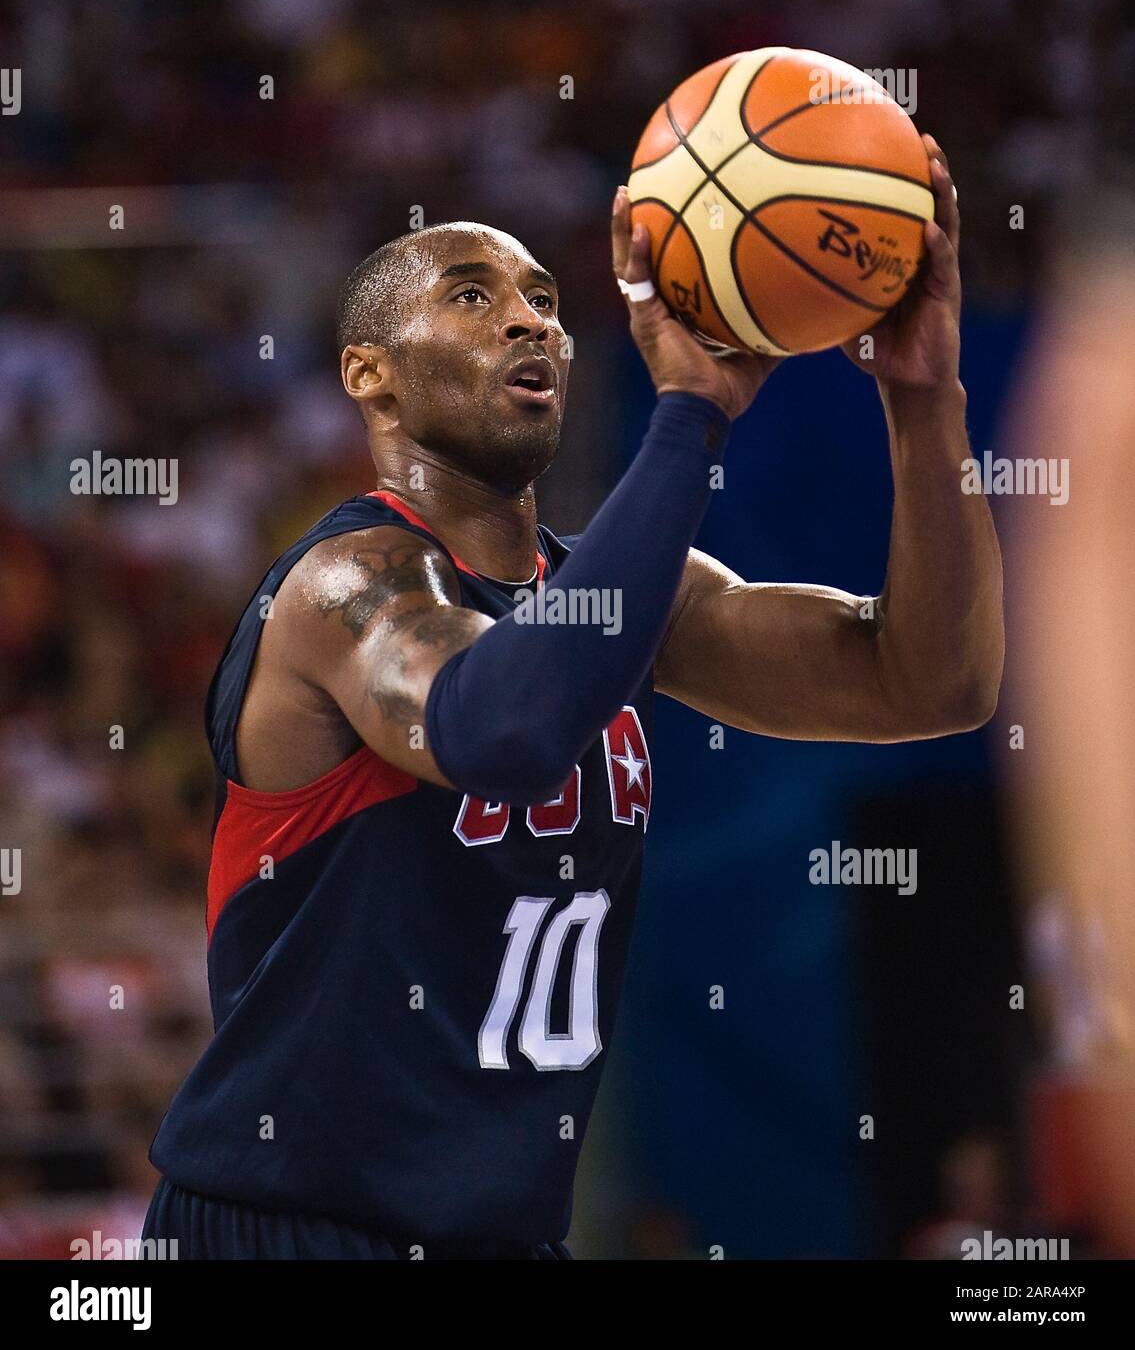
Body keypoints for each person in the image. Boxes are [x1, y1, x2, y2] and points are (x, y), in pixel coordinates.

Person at [143, 135, 1003, 1258]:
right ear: (370, 373)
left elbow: (933, 681)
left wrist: (923, 396)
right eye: (472, 295)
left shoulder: (633, 597)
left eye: (545, 300)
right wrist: (689, 419)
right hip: (285, 1227)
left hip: (502, 1232)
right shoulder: (343, 586)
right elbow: (499, 726)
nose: (529, 319)